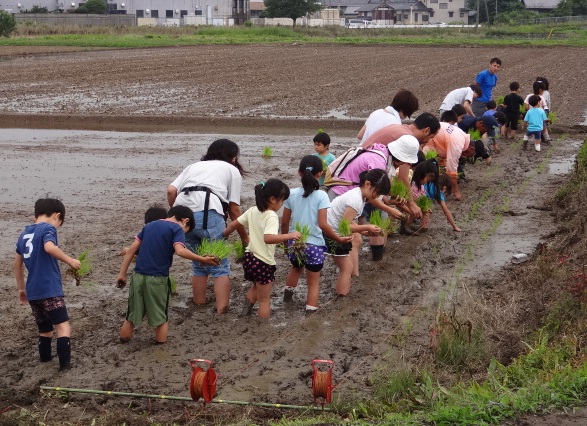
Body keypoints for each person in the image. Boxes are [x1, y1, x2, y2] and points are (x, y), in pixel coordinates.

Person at [167, 139, 248, 315]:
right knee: (219, 265)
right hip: (208, 212)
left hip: (183, 216)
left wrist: (175, 214)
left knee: (199, 263)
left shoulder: (193, 166)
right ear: (233, 157)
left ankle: (198, 305)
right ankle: (222, 311)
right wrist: (245, 238)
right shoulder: (231, 170)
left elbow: (171, 191)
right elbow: (234, 209)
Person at [116, 206, 219, 344]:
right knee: (161, 317)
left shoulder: (150, 225)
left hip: (138, 276)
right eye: (186, 230)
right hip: (158, 279)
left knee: (131, 315)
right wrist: (202, 259)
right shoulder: (176, 228)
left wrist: (122, 274)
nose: (185, 233)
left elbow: (131, 250)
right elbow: (180, 251)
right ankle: (160, 345)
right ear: (185, 221)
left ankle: (124, 341)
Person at [14, 198, 81, 371]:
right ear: (57, 216)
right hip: (50, 289)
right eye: (60, 223)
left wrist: (21, 289)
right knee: (63, 326)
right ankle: (65, 366)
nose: (58, 226)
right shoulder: (48, 228)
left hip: (33, 291)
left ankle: (44, 361)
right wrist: (70, 261)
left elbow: (17, 264)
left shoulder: (23, 235)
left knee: (44, 329)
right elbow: (50, 248)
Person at [281, 156, 353, 313]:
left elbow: (285, 222)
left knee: (295, 269)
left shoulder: (291, 194)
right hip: (314, 246)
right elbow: (323, 224)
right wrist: (338, 238)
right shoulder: (321, 196)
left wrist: (286, 243)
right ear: (320, 174)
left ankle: (286, 299)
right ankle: (310, 312)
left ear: (299, 173)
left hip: (295, 242)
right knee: (313, 283)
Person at [224, 179, 301, 319]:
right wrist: (289, 235)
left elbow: (233, 224)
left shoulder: (252, 210)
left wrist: (224, 234)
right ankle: (263, 326)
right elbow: (268, 238)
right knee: (264, 299)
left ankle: (244, 314)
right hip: (263, 262)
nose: (282, 204)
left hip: (250, 258)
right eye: (282, 200)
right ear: (272, 199)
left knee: (256, 287)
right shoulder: (271, 215)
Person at [326, 169, 389, 296]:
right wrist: (367, 227)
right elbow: (345, 226)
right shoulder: (355, 200)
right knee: (347, 268)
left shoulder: (359, 196)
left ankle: (343, 293)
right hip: (332, 233)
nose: (377, 197)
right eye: (377, 192)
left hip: (334, 229)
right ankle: (342, 296)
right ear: (367, 184)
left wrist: (366, 231)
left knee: (347, 266)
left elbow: (349, 222)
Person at [424, 112, 471, 201]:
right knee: (425, 166)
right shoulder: (458, 143)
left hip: (433, 137)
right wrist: (456, 191)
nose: (466, 156)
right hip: (428, 137)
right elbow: (452, 169)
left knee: (437, 165)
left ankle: (435, 189)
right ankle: (425, 191)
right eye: (469, 155)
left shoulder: (460, 133)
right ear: (470, 149)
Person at [524, 81, 551, 145]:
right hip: (540, 117)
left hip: (531, 117)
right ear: (540, 90)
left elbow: (526, 107)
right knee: (544, 129)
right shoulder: (541, 98)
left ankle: (527, 141)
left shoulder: (529, 96)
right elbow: (545, 107)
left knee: (530, 128)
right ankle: (547, 140)